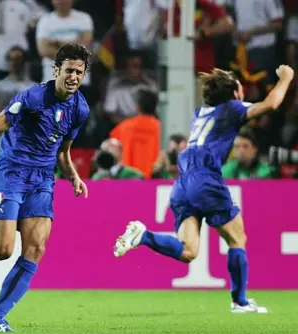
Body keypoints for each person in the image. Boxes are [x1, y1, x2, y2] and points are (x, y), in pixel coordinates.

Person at [113, 66, 295, 313]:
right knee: (237, 238)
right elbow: (271, 104)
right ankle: (239, 302)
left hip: (182, 182)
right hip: (205, 179)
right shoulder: (231, 108)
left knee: (188, 251)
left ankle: (143, 236)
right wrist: (286, 78)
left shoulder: (201, 113)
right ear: (234, 91)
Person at [0, 44, 91, 332]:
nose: (74, 77)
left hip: (43, 178)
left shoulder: (80, 108)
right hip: (11, 172)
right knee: (0, 251)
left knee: (36, 248)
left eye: (79, 72)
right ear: (56, 69)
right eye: (69, 70)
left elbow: (63, 149)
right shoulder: (34, 97)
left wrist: (73, 175)